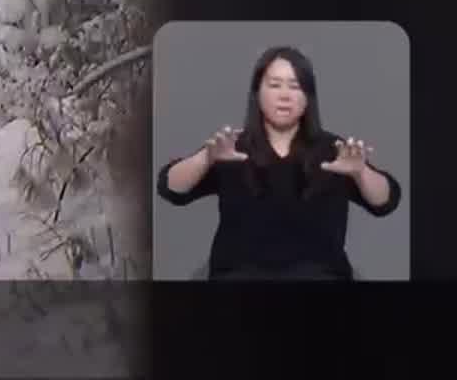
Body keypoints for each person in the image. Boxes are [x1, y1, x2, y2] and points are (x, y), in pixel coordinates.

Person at [155, 46, 400, 281]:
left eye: (295, 86)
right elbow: (171, 188)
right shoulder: (230, 148)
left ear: (307, 98)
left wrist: (360, 172)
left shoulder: (334, 150)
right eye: (274, 85)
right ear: (257, 92)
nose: (284, 95)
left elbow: (385, 201)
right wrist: (206, 158)